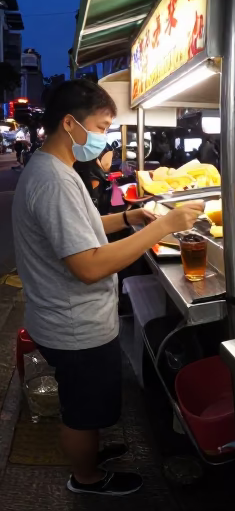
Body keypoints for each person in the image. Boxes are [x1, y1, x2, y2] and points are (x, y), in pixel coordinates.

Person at [12, 79, 203, 496]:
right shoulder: (54, 180)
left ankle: (89, 455)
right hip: (73, 324)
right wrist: (167, 226)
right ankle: (86, 479)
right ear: (69, 123)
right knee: (81, 410)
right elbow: (87, 264)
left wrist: (126, 219)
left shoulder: (55, 168)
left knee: (89, 403)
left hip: (65, 317)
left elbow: (78, 233)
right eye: (100, 126)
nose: (104, 137)